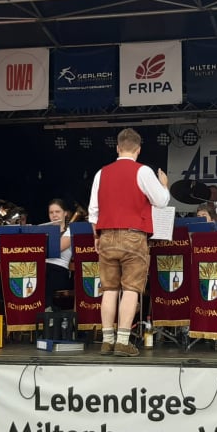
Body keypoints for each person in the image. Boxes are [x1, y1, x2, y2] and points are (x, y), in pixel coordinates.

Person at [88, 128, 170, 357]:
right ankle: (123, 341)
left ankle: (107, 340)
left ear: (117, 148)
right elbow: (161, 201)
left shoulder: (101, 173)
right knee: (131, 289)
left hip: (106, 235)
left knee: (109, 289)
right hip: (133, 236)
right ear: (138, 149)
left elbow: (93, 211)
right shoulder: (143, 171)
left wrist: (97, 237)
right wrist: (164, 184)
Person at [44, 198, 73, 311]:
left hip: (59, 270)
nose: (54, 215)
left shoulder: (70, 231)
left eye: (57, 211)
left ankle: (48, 310)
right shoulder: (44, 230)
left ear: (65, 213)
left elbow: (56, 248)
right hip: (44, 268)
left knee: (46, 277)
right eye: (51, 212)